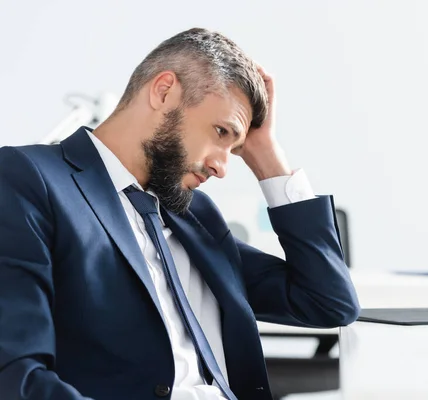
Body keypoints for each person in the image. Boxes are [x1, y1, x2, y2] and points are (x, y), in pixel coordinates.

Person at [0, 28, 360, 400]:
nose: (223, 167)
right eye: (221, 131)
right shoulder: (30, 178)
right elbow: (16, 376)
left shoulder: (193, 214)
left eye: (234, 146)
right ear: (164, 91)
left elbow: (328, 303)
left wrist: (267, 155)